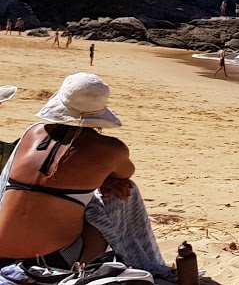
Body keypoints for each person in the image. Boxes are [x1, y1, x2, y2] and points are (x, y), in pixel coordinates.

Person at [0, 74, 175, 278]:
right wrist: (105, 178)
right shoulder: (111, 149)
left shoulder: (33, 132)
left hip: (2, 252)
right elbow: (125, 173)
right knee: (111, 203)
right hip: (54, 259)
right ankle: (90, 268)